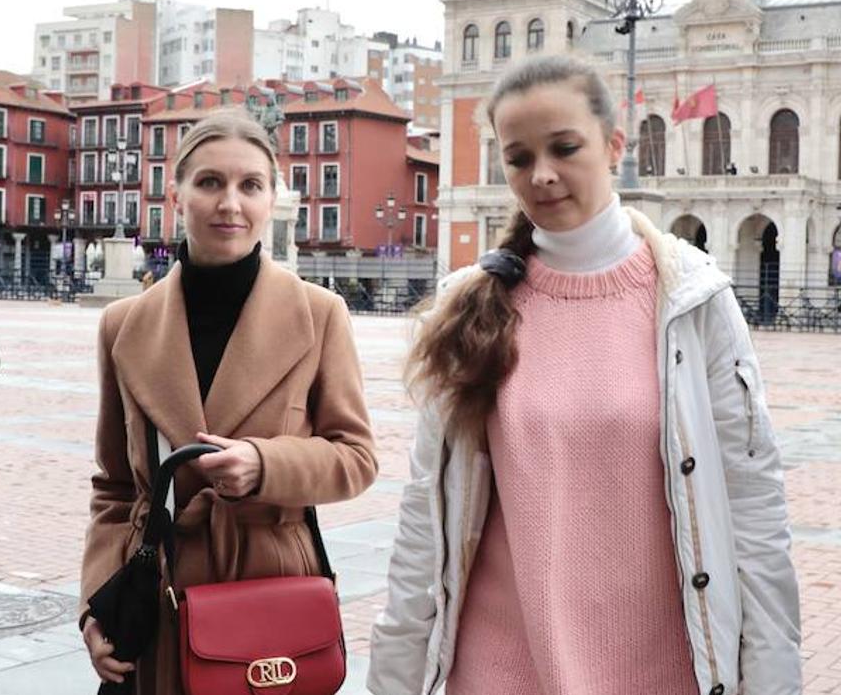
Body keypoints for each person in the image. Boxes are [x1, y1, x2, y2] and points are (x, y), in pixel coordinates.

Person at [368, 55, 801, 695]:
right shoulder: (471, 305)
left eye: (565, 148)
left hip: (662, 673)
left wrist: (772, 683)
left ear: (614, 145)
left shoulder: (693, 299)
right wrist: (393, 682)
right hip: (496, 674)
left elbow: (754, 510)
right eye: (518, 158)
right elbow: (425, 521)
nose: (541, 175)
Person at [80, 109, 377, 692]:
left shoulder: (319, 315)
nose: (230, 204)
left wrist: (265, 465)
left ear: (271, 199)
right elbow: (114, 486)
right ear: (177, 194)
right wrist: (97, 603)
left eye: (250, 186)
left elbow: (357, 458)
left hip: (267, 588)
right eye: (210, 182)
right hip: (157, 587)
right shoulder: (123, 325)